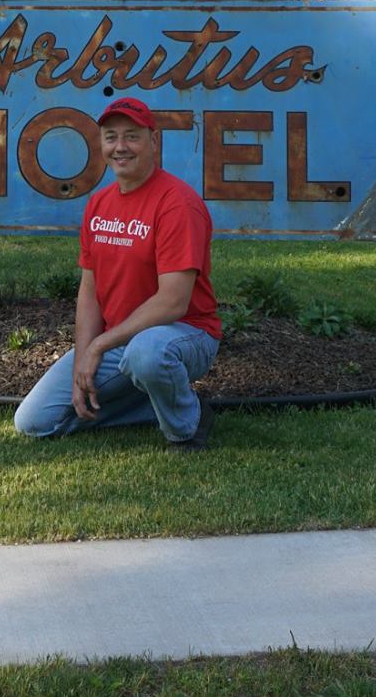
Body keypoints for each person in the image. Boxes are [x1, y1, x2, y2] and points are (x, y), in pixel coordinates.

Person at [14, 98, 221, 450]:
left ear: (153, 141)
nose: (120, 147)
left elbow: (173, 302)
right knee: (34, 422)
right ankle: (157, 402)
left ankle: (187, 424)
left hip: (184, 334)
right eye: (111, 137)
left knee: (147, 354)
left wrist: (100, 345)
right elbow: (90, 291)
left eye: (132, 136)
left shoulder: (177, 203)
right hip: (120, 341)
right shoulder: (99, 203)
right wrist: (83, 359)